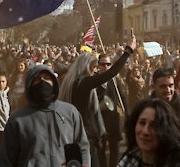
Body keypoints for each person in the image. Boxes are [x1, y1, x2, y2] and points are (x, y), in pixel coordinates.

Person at [59, 36, 137, 167]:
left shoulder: (72, 82)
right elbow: (111, 73)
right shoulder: (83, 82)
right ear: (85, 66)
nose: (95, 71)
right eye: (94, 67)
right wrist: (128, 51)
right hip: (84, 135)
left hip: (73, 132)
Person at [0, 64, 91, 166]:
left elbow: (82, 146)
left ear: (54, 83)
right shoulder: (17, 119)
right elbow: (6, 159)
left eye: (46, 78)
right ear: (29, 84)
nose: (42, 82)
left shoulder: (70, 112)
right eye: (37, 79)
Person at [117, 98, 180, 167]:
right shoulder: (128, 160)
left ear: (166, 130)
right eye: (142, 123)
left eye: (154, 125)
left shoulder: (175, 164)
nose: (145, 131)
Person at [96, 53, 130, 167]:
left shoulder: (115, 80)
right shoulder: (93, 80)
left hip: (114, 120)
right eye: (103, 64)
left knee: (115, 150)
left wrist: (128, 113)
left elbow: (122, 96)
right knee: (101, 151)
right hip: (100, 121)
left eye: (108, 64)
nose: (105, 66)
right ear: (98, 65)